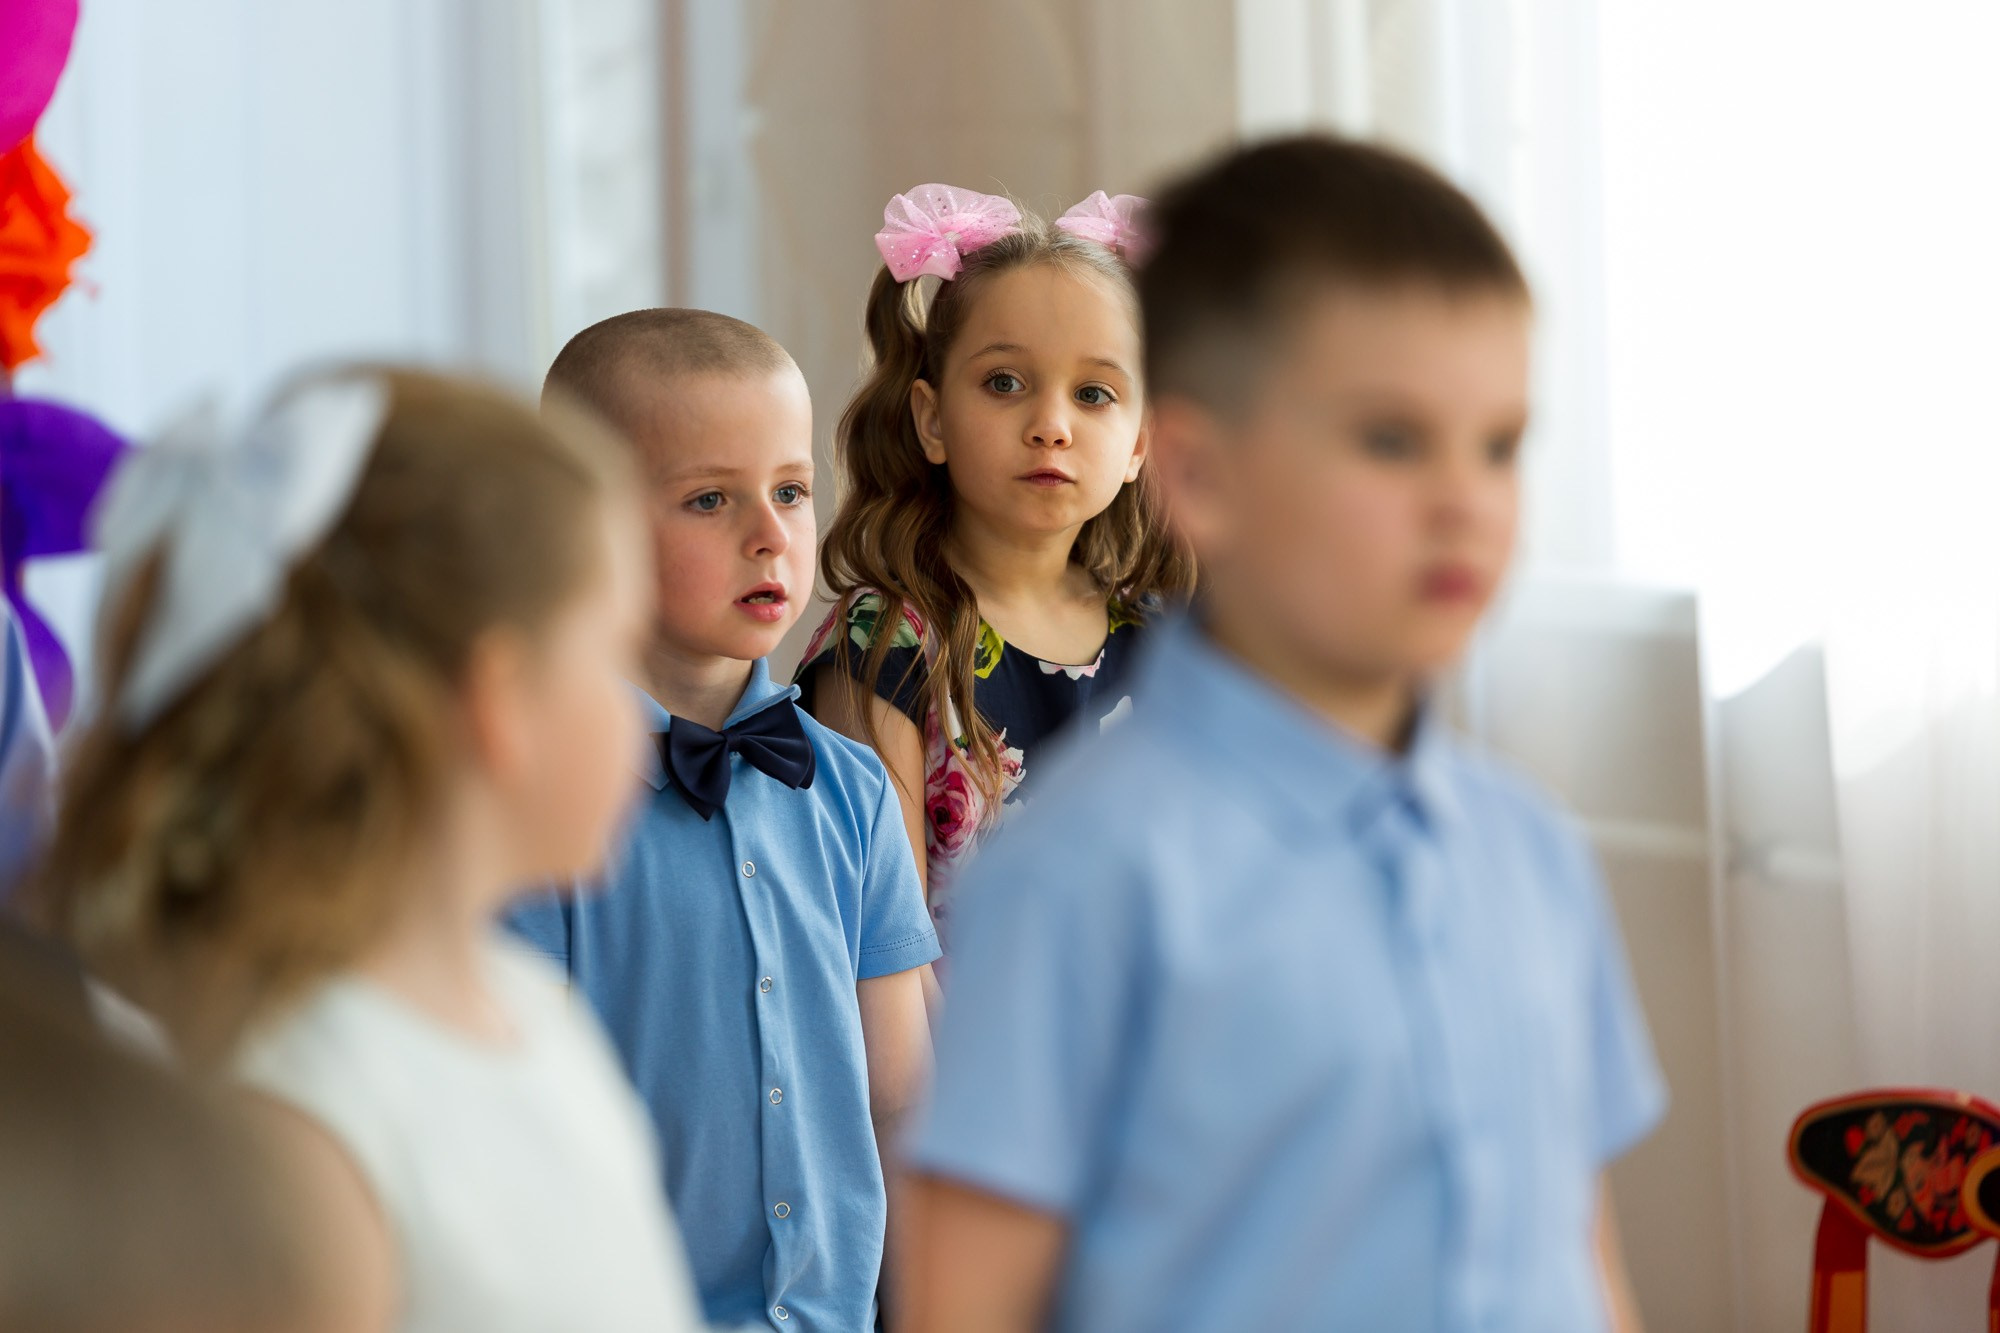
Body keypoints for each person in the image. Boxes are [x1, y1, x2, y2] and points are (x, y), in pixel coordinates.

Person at [899, 136, 1665, 1333]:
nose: (1464, 498)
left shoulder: (1532, 853)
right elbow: (971, 1302)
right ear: (1197, 471)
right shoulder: (1073, 877)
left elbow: (1575, 1258)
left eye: (1498, 444)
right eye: (1390, 439)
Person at [36, 368, 708, 1333]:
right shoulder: (297, 1117)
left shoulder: (528, 1012)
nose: (638, 711)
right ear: (500, 698)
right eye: (615, 652)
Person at [509, 309, 937, 1332]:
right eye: (710, 499)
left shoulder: (853, 791)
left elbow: (902, 1099)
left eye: (790, 491)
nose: (769, 533)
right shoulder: (533, 806)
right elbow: (514, 1123)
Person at [799, 186, 1194, 944]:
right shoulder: (883, 648)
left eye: (1093, 393)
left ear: (1142, 441)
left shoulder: (1168, 645)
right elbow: (880, 950)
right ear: (932, 418)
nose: (1050, 425)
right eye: (1005, 383)